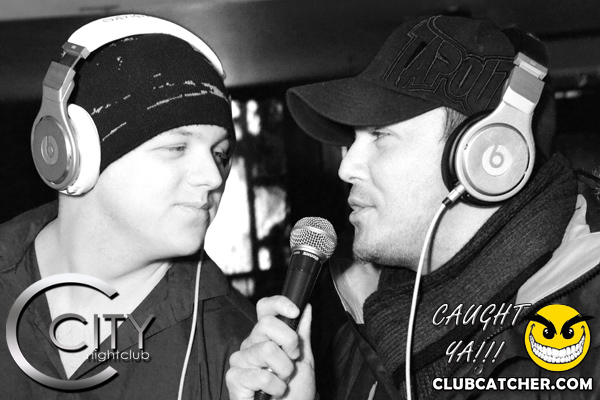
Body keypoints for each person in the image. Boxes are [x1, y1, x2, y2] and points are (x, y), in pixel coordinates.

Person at [226, 15, 600, 400]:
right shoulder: (368, 326)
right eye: (353, 139)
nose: (346, 167)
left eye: (380, 134)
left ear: (489, 157)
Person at [0, 14, 255, 399]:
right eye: (177, 147)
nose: (213, 177)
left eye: (220, 154)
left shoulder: (240, 351)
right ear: (78, 153)